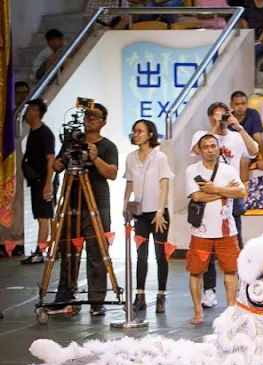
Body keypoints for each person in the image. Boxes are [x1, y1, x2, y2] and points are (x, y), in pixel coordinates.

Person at [190, 102, 258, 309]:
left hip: (231, 194)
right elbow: (195, 150)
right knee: (206, 246)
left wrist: (240, 127)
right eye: (219, 116)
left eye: (225, 115)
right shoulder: (202, 135)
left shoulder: (236, 136)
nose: (223, 120)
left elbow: (254, 151)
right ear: (211, 117)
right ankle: (209, 290)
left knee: (234, 243)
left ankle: (237, 291)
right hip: (206, 191)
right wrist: (215, 129)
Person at [52, 103, 118, 316]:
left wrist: (95, 157)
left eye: (95, 116)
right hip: (71, 202)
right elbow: (56, 165)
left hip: (97, 203)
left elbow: (112, 173)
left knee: (96, 252)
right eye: (88, 115)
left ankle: (96, 301)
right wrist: (64, 158)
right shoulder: (73, 142)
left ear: (103, 122)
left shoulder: (107, 146)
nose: (90, 119)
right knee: (68, 251)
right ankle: (64, 297)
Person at [185, 135, 246, 325]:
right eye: (206, 147)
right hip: (201, 231)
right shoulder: (192, 170)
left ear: (218, 148)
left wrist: (213, 188)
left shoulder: (228, 170)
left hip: (227, 231)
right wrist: (222, 191)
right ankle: (198, 311)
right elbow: (196, 196)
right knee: (196, 271)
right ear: (200, 150)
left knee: (230, 270)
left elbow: (241, 192)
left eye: (213, 146)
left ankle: (230, 312)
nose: (210, 150)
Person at [123, 119, 174, 314]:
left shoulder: (159, 157)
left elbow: (164, 185)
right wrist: (125, 205)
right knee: (141, 255)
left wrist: (160, 211)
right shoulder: (130, 158)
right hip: (140, 214)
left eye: (139, 131)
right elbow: (129, 183)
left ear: (150, 134)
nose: (135, 134)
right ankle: (140, 295)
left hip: (158, 213)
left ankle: (161, 295)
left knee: (161, 255)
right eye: (134, 131)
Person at [20, 99, 57, 265]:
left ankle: (41, 252)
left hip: (44, 180)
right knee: (44, 216)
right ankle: (50, 250)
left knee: (44, 217)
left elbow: (51, 159)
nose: (25, 113)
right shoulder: (33, 132)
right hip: (37, 180)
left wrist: (48, 184)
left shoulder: (45, 133)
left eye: (28, 109)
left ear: (35, 111)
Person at [230, 90, 263, 168]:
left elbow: (258, 137)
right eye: (237, 104)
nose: (240, 107)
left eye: (243, 104)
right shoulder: (228, 118)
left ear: (247, 104)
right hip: (232, 151)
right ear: (231, 105)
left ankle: (243, 181)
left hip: (250, 151)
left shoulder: (253, 114)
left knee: (243, 160)